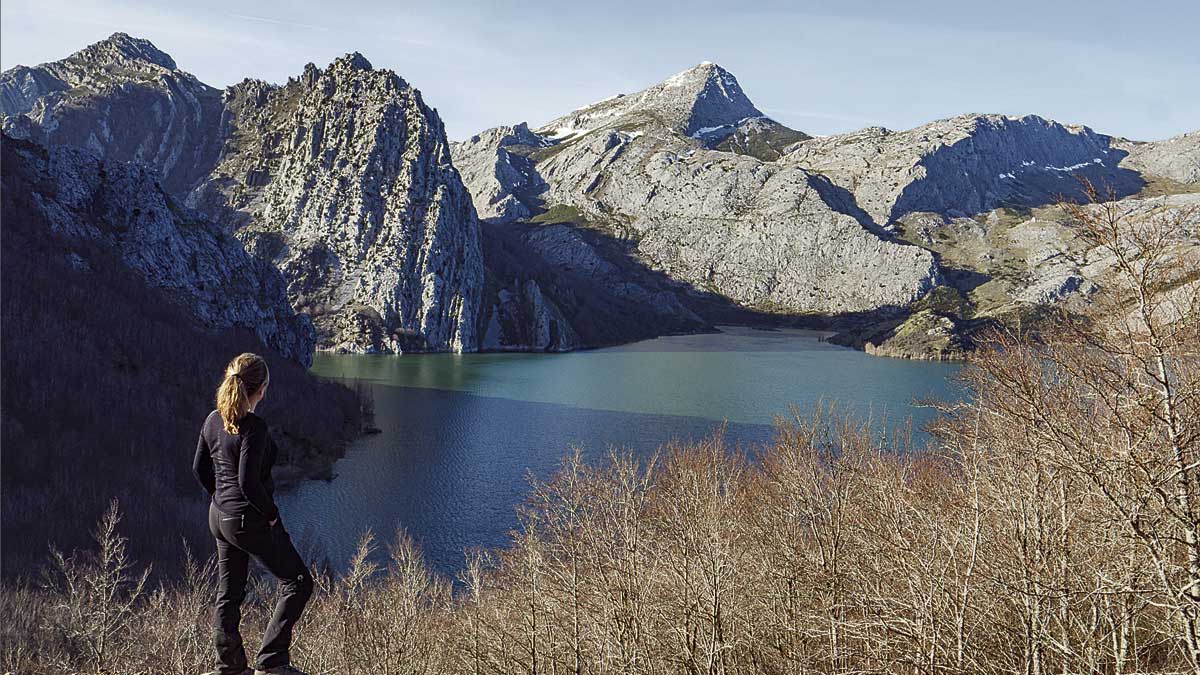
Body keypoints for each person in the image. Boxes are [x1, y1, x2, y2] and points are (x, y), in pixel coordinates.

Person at [193, 353, 313, 675]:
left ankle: (229, 666)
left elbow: (200, 469)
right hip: (248, 521)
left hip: (219, 517)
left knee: (229, 593)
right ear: (261, 389)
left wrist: (220, 499)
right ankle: (271, 661)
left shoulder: (212, 420)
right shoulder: (253, 428)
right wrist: (271, 514)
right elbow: (248, 482)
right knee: (298, 582)